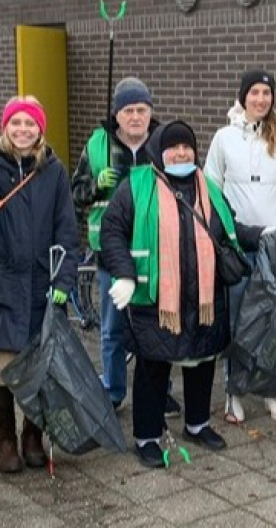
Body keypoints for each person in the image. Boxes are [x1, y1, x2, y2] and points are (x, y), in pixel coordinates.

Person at [100, 120, 268, 468]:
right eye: (173, 147)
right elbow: (112, 230)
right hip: (156, 298)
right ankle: (146, 437)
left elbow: (229, 230)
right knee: (153, 368)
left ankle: (197, 423)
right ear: (159, 152)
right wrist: (125, 274)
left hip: (205, 298)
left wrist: (263, 234)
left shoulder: (209, 187)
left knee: (201, 361)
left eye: (187, 147)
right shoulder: (136, 186)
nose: (181, 152)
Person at [0, 95, 79, 474]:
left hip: (42, 285)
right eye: (16, 123)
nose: (23, 130)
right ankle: (6, 441)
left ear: (41, 129)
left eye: (31, 124)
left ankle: (32, 437)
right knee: (3, 370)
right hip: (0, 287)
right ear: (5, 127)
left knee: (40, 368)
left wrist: (64, 278)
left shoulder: (55, 174)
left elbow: (67, 233)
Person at [70, 77, 182, 418]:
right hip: (110, 254)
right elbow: (74, 195)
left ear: (150, 112)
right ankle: (114, 390)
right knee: (113, 327)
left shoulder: (163, 144)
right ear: (116, 114)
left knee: (159, 326)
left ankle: (159, 391)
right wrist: (94, 184)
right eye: (129, 110)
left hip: (155, 253)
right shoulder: (97, 146)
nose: (136, 117)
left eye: (142, 110)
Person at [205, 69, 276, 422]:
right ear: (243, 97)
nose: (261, 99)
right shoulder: (223, 139)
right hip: (236, 249)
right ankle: (233, 394)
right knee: (237, 324)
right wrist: (217, 239)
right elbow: (211, 192)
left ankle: (272, 393)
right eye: (254, 93)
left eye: (267, 93)